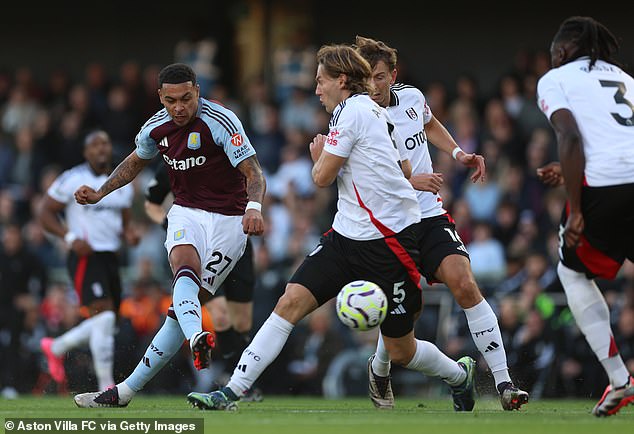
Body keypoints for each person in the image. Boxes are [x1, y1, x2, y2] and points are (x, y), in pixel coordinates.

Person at [187, 44, 475, 411]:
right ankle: (232, 391)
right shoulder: (367, 111)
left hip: (389, 244)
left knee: (402, 350)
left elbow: (321, 177)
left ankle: (459, 376)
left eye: (320, 81)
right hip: (345, 238)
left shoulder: (353, 113)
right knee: (289, 301)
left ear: (341, 80)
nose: (316, 89)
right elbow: (402, 167)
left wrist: (320, 158)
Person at [72, 63, 265, 407]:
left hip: (230, 220)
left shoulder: (221, 121)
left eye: (186, 99)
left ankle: (126, 391)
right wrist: (101, 192)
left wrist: (254, 207)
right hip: (186, 211)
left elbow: (253, 171)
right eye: (171, 100)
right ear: (161, 97)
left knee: (181, 309)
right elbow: (134, 162)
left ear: (198, 92)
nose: (179, 108)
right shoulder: (155, 128)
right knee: (183, 270)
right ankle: (196, 338)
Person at [353, 36, 529, 410]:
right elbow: (363, 174)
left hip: (429, 213)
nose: (373, 85)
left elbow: (429, 123)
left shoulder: (413, 98)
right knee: (406, 313)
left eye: (380, 77)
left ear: (393, 75)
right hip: (389, 223)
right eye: (367, 77)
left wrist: (457, 152)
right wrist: (410, 181)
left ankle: (504, 385)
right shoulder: (356, 115)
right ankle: (381, 367)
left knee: (465, 284)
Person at [536, 16, 634, 417]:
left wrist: (576, 210)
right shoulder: (626, 79)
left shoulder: (555, 78)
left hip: (605, 188)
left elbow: (570, 136)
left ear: (560, 53)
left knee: (572, 272)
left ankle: (620, 379)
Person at [143, 164, 262, 400]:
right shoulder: (173, 160)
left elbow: (254, 181)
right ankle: (231, 378)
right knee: (219, 314)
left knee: (241, 322)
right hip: (198, 246)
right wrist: (170, 224)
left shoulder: (228, 155)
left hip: (234, 241)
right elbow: (151, 203)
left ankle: (238, 376)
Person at [37, 130, 137, 391]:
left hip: (111, 257)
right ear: (86, 152)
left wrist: (129, 232)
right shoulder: (73, 178)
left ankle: (56, 346)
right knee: (103, 319)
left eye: (105, 143)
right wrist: (69, 238)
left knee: (109, 323)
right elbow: (44, 212)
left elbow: (124, 216)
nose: (101, 148)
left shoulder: (121, 179)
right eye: (95, 144)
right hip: (85, 255)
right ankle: (107, 386)